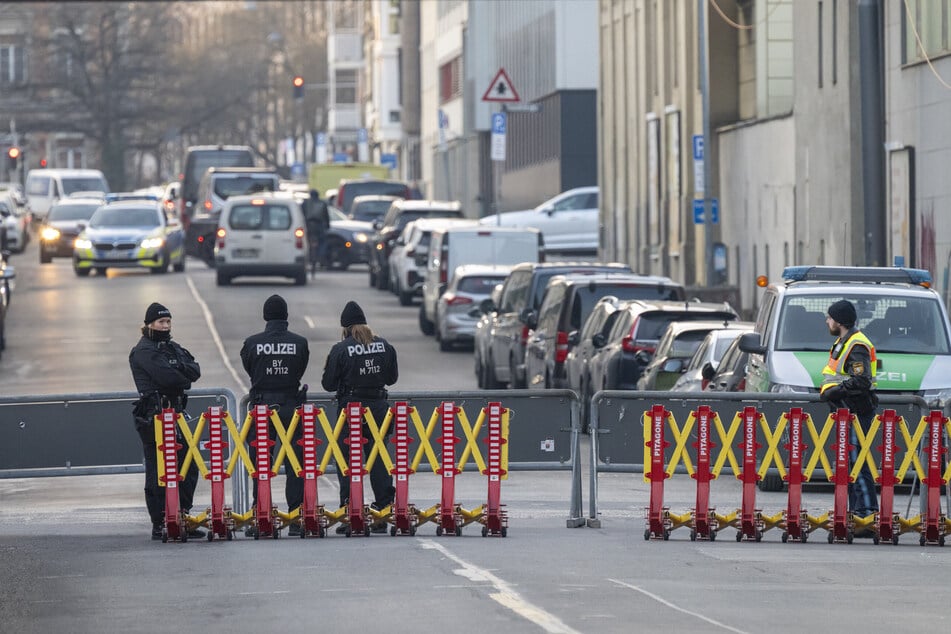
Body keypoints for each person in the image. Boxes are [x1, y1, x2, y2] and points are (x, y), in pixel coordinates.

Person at [321, 301, 398, 534]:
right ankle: (383, 510)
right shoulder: (384, 346)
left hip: (351, 410)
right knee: (378, 457)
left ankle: (351, 509)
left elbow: (328, 384)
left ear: (345, 328)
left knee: (348, 461)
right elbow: (392, 378)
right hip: (379, 408)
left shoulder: (341, 349)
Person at [129, 302, 203, 540]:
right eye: (161, 322)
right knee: (158, 470)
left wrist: (179, 371)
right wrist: (180, 374)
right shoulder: (143, 350)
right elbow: (167, 377)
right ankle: (160, 521)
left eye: (168, 322)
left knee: (188, 466)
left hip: (177, 415)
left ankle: (182, 516)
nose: (165, 326)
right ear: (149, 324)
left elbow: (194, 369)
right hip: (154, 417)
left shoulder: (172, 347)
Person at [240, 294, 310, 535]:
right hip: (291, 407)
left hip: (261, 409)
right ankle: (296, 515)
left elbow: (249, 367)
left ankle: (262, 515)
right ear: (286, 316)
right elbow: (300, 367)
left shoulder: (251, 343)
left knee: (261, 463)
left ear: (265, 316)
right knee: (295, 462)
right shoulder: (299, 343)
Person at [819, 299, 879, 527]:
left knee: (857, 463)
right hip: (846, 410)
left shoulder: (857, 345)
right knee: (850, 463)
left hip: (856, 409)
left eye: (830, 317)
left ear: (839, 321)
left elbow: (861, 380)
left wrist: (836, 391)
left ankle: (866, 514)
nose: (827, 321)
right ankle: (857, 513)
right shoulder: (843, 342)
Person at [304, 189, 331, 271]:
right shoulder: (322, 203)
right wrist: (327, 226)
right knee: (322, 241)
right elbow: (326, 216)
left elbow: (302, 213)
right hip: (319, 225)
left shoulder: (305, 203)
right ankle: (321, 255)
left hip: (308, 225)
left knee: (305, 241)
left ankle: (308, 255)